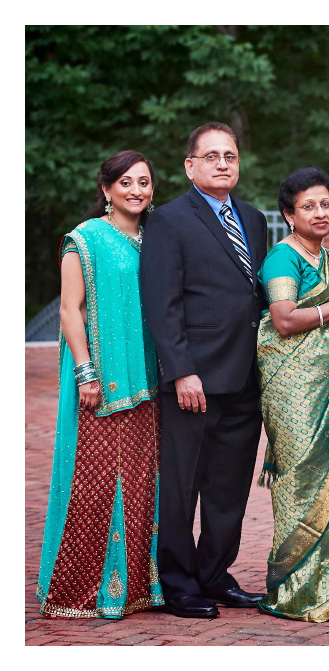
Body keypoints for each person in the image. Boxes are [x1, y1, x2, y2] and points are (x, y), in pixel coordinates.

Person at [140, 122, 267, 619]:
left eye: (230, 156)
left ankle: (215, 574)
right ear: (190, 165)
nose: (222, 163)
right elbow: (162, 302)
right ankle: (178, 584)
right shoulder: (169, 220)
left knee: (228, 488)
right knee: (181, 487)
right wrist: (181, 371)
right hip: (193, 381)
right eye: (211, 156)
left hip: (245, 379)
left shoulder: (253, 220)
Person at [38, 150, 164, 618]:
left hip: (149, 381)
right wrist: (85, 371)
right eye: (127, 182)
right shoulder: (84, 240)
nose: (137, 190)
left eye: (145, 183)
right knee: (94, 481)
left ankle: (139, 588)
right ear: (107, 189)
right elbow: (71, 309)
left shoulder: (156, 239)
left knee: (139, 483)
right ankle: (79, 590)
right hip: (101, 381)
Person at [255, 168, 329, 621]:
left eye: (326, 204)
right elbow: (283, 319)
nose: (320, 213)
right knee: (301, 481)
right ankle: (298, 590)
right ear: (289, 214)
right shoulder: (282, 258)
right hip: (292, 393)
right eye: (309, 206)